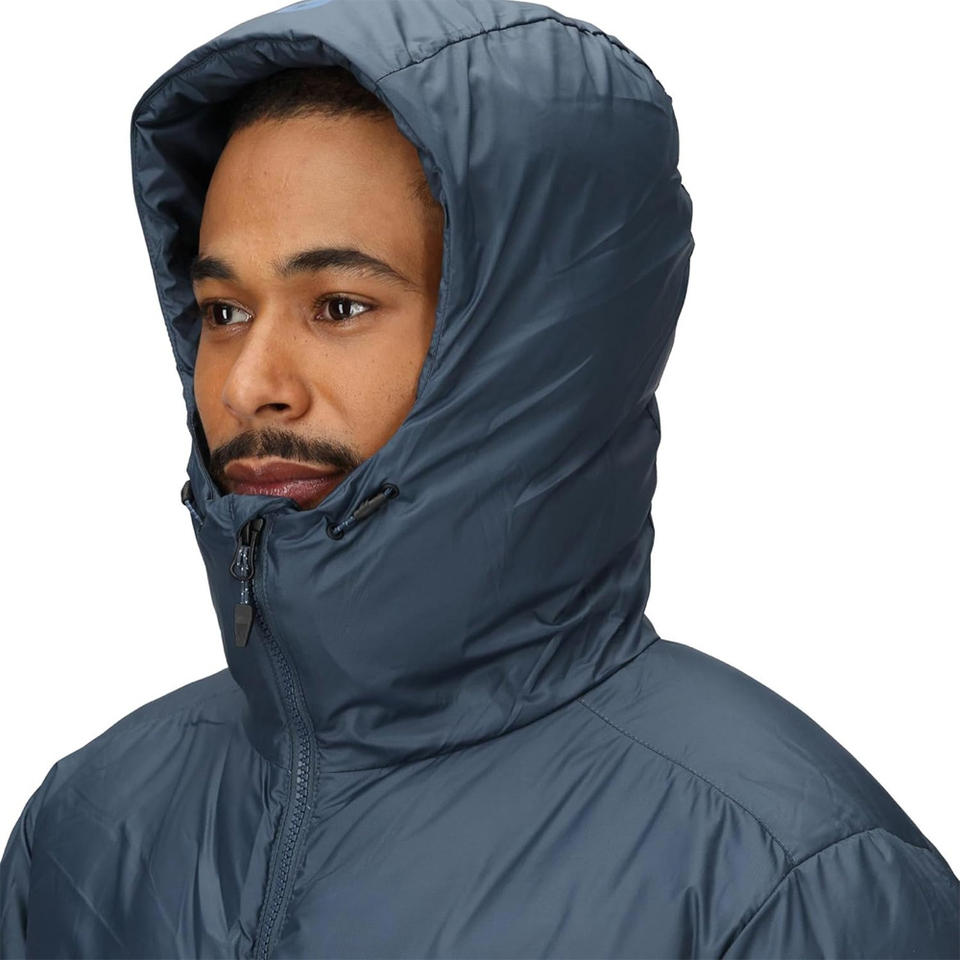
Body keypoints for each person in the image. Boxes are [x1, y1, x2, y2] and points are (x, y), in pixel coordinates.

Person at [1, 0, 957, 957]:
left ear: (536, 350)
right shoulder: (89, 826)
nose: (249, 385)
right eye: (223, 311)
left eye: (338, 306)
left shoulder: (789, 890)